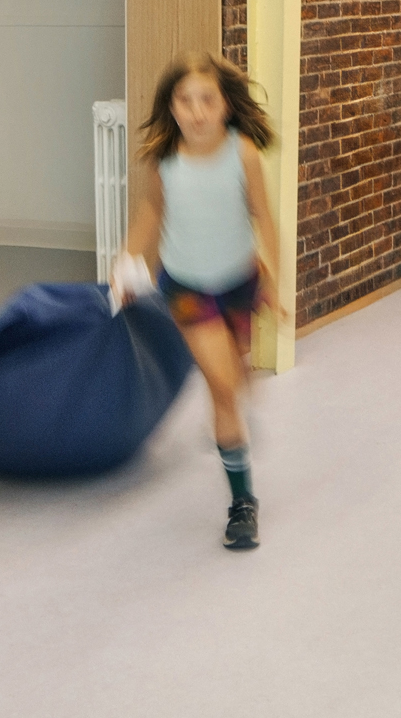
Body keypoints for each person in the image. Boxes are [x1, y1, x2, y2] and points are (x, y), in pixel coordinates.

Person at [118, 51, 283, 550]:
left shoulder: (243, 154)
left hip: (239, 283)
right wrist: (127, 261)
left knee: (236, 374)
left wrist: (274, 280)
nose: (196, 112)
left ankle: (237, 387)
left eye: (207, 100)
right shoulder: (165, 159)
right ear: (171, 107)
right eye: (185, 101)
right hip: (187, 288)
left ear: (225, 105)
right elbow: (151, 213)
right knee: (223, 389)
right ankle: (242, 502)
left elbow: (263, 218)